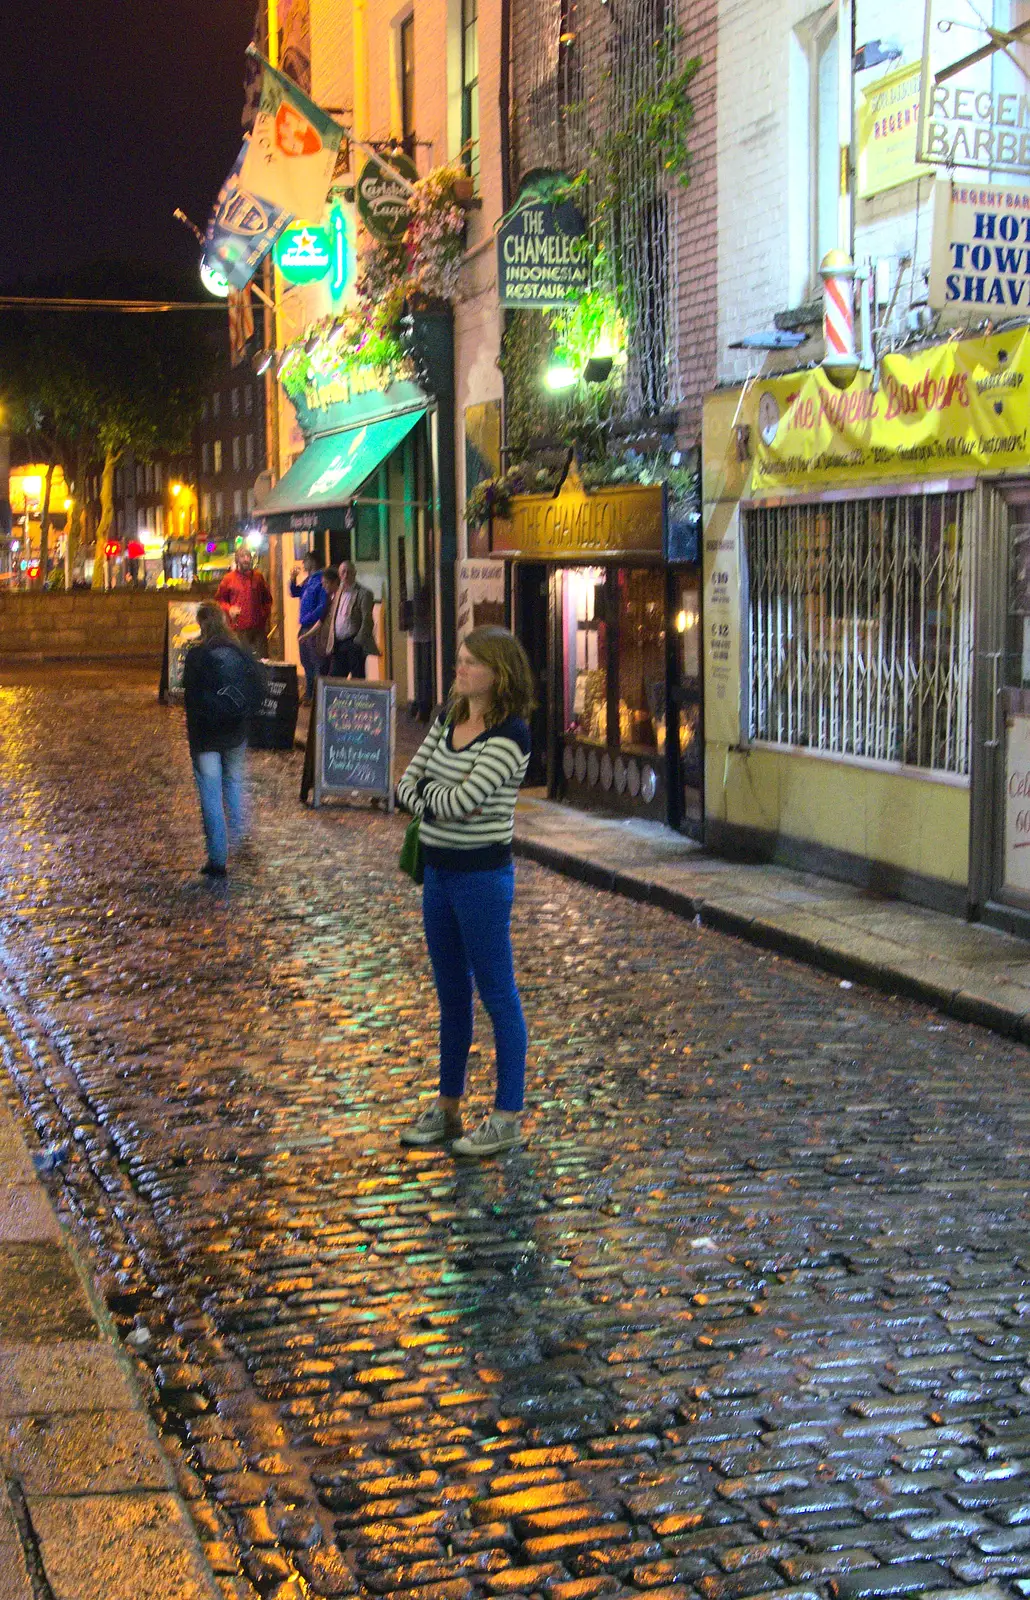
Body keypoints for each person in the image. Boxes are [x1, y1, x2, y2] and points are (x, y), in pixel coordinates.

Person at [396, 626, 534, 1158]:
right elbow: (409, 783)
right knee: (451, 993)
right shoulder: (449, 717)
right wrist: (437, 796)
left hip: (481, 878)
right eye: (459, 659)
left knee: (498, 994)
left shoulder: (511, 735)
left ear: (498, 673)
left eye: (471, 662)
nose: (460, 669)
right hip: (438, 872)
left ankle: (506, 1115)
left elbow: (464, 800)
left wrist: (432, 797)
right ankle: (448, 1107)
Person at [182, 602, 265, 878]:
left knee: (210, 793)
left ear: (202, 625)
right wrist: (243, 712)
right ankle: (240, 837)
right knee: (233, 783)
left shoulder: (197, 657)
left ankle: (218, 858)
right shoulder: (241, 654)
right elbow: (260, 688)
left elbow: (190, 698)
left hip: (206, 736)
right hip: (235, 732)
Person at [215, 545, 273, 656]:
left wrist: (263, 616)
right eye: (243, 556)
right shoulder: (229, 579)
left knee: (262, 662)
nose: (246, 559)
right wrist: (229, 609)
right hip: (238, 630)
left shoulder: (258, 577)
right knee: (240, 660)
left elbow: (268, 600)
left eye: (248, 556)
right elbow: (220, 600)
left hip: (258, 630)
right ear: (237, 560)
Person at [326, 560, 378, 678]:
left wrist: (358, 642)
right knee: (335, 679)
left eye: (349, 572)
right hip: (338, 643)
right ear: (339, 575)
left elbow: (367, 620)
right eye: (343, 572)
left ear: (354, 573)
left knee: (357, 679)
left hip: (353, 642)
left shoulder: (363, 593)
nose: (346, 575)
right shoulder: (338, 593)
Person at [290, 551, 329, 702]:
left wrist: (309, 618)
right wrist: (292, 579)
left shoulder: (321, 580)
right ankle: (309, 693)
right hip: (304, 625)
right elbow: (295, 592)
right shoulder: (308, 580)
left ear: (312, 562)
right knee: (306, 661)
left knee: (316, 661)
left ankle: (317, 696)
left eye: (305, 561)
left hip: (313, 627)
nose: (303, 564)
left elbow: (322, 606)